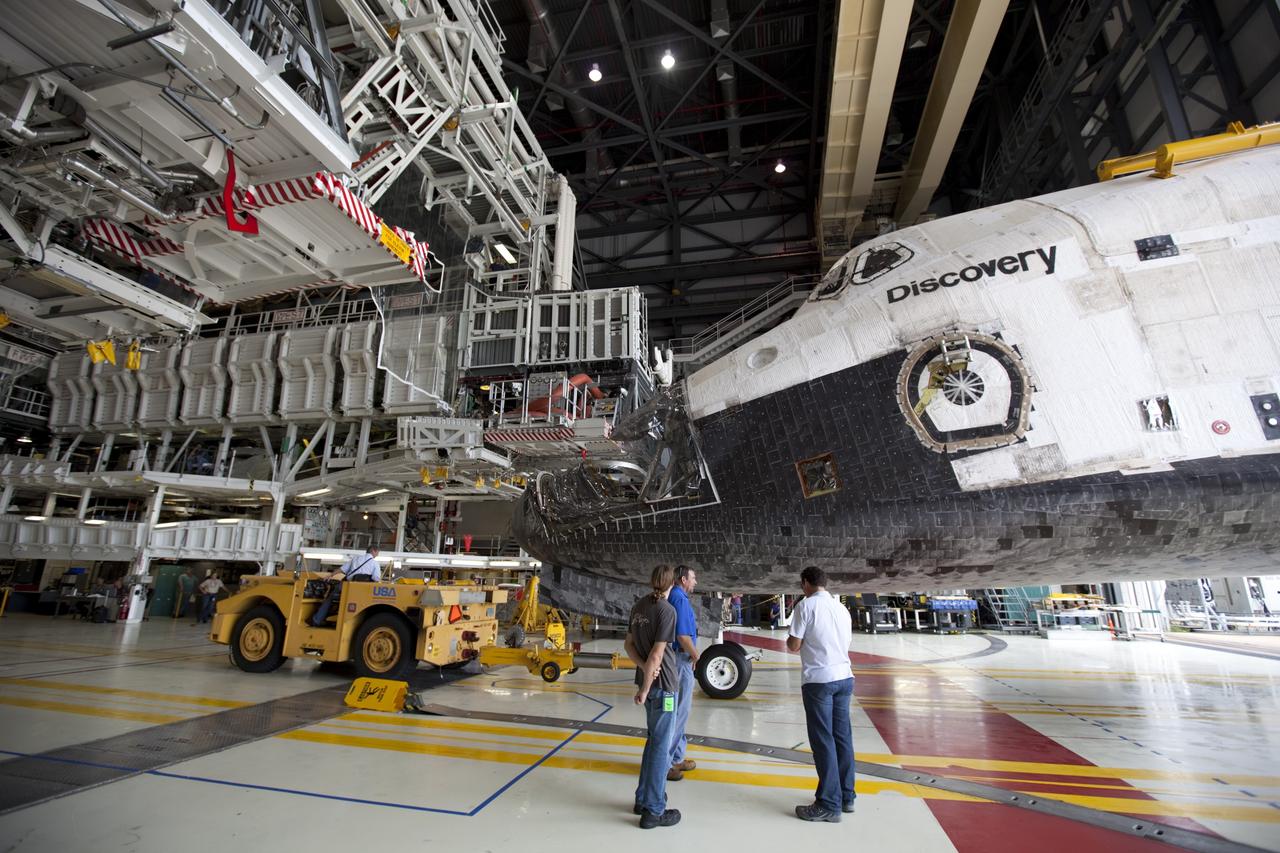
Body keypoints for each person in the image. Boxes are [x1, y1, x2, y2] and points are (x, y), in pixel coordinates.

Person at [787, 566, 856, 822]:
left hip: (819, 681)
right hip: (844, 677)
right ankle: (847, 796)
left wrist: (797, 641)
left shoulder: (805, 607)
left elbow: (794, 645)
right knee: (842, 738)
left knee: (823, 740)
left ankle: (828, 803)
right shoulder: (841, 608)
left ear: (806, 583)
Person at [624, 564, 681, 829]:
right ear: (672, 584)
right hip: (664, 686)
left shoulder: (639, 607)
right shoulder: (666, 610)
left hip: (648, 684)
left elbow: (629, 645)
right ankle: (654, 810)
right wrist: (646, 685)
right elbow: (658, 656)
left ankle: (642, 799)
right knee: (661, 746)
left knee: (652, 742)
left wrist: (644, 667)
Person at [666, 565, 699, 781]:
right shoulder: (678, 598)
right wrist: (696, 655)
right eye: (693, 578)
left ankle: (677, 757)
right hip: (680, 660)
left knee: (682, 712)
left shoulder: (680, 597)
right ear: (683, 579)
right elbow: (682, 637)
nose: (696, 582)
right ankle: (667, 763)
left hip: (683, 660)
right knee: (675, 713)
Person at [308, 546, 380, 627]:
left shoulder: (356, 559)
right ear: (373, 551)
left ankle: (317, 620)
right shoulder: (375, 563)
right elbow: (376, 578)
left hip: (347, 586)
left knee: (330, 599)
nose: (377, 554)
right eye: (377, 552)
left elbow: (342, 569)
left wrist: (330, 575)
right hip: (360, 591)